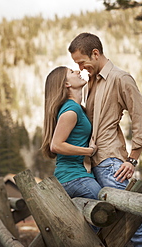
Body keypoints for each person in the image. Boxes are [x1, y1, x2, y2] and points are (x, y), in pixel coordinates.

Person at [68, 32, 142, 246]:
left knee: (134, 228)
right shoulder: (92, 81)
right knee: (109, 227)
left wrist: (133, 159)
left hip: (111, 164)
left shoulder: (120, 78)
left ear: (95, 53)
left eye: (82, 63)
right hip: (94, 165)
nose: (81, 69)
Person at [41, 66, 102, 205]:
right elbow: (56, 145)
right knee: (110, 212)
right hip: (75, 178)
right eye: (71, 72)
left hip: (74, 177)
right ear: (66, 84)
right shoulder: (71, 110)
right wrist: (89, 151)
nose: (78, 71)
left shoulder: (76, 108)